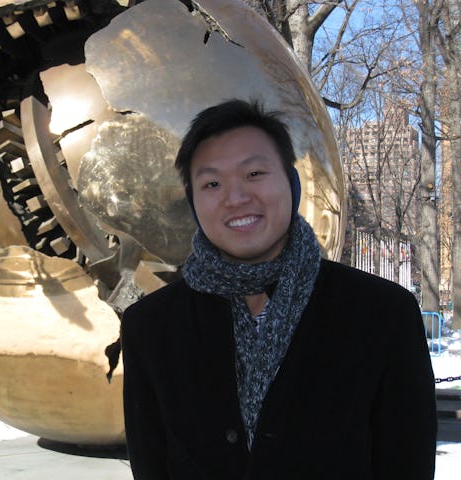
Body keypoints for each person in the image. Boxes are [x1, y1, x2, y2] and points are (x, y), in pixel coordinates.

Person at [120, 99, 437, 479]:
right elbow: (151, 462)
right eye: (212, 183)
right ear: (193, 201)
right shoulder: (152, 326)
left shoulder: (381, 313)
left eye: (254, 173)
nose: (235, 198)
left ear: (291, 183)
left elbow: (406, 461)